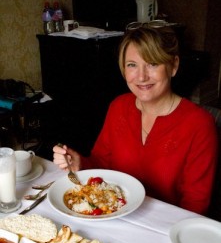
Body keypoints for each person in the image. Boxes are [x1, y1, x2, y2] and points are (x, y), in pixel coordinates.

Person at [53, 24, 218, 215]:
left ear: (173, 66)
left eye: (153, 63)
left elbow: (195, 206)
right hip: (113, 214)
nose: (141, 76)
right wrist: (80, 163)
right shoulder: (119, 107)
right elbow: (102, 164)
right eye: (132, 65)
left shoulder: (200, 124)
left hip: (164, 228)